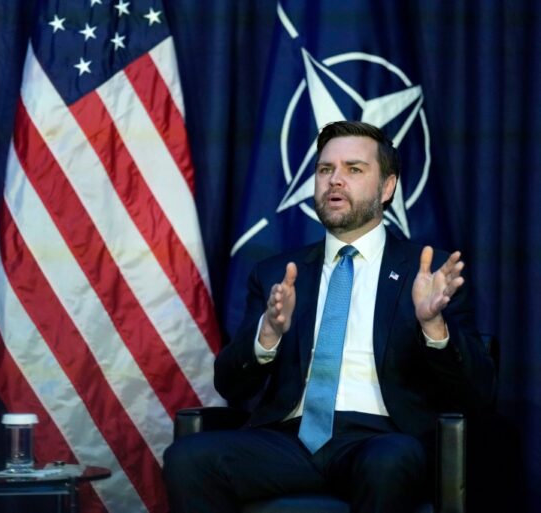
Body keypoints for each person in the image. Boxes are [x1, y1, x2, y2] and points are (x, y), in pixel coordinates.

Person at [163, 121, 495, 513]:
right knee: (187, 457)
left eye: (354, 169)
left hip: (381, 439)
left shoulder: (430, 272)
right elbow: (230, 384)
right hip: (289, 440)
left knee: (391, 461)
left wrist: (432, 326)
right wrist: (267, 335)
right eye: (325, 170)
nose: (335, 180)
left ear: (387, 187)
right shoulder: (277, 274)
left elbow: (479, 392)